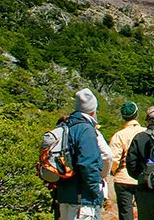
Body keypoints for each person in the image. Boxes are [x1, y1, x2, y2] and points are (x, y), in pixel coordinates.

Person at [57, 88, 104, 220]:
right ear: (93, 110)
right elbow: (88, 164)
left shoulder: (65, 125)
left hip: (64, 195)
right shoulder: (86, 130)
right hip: (83, 199)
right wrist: (97, 191)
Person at [109, 101, 146, 220]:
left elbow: (114, 159)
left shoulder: (119, 135)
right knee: (145, 213)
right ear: (137, 115)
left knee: (125, 214)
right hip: (142, 178)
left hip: (123, 178)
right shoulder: (146, 133)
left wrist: (114, 171)